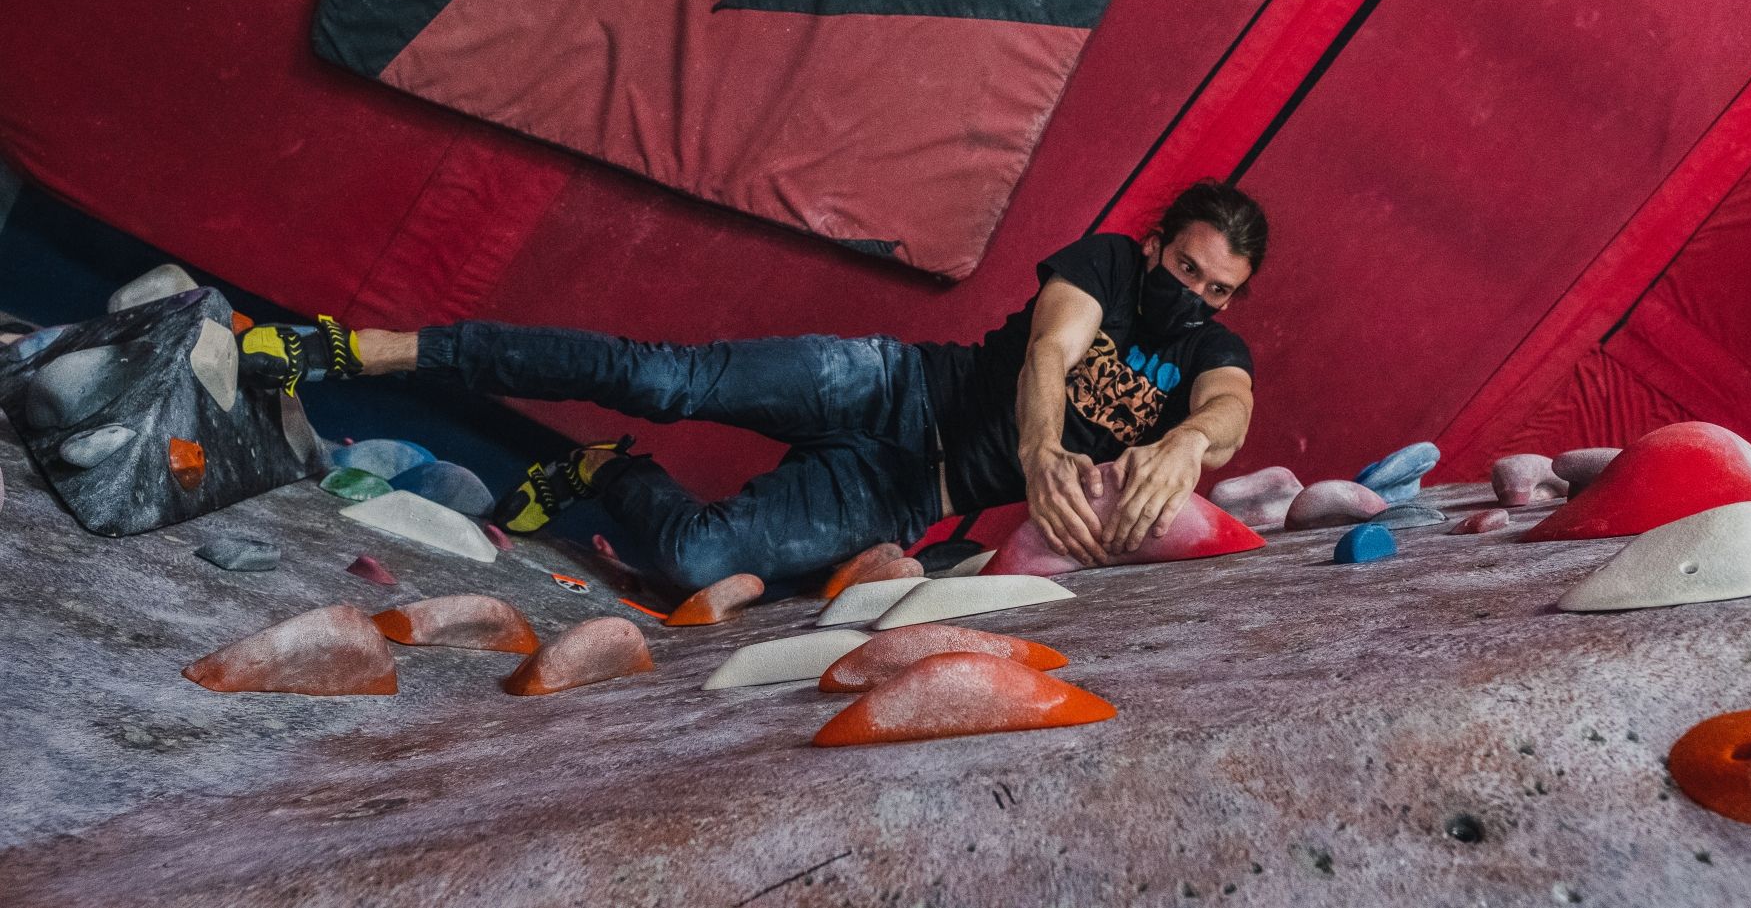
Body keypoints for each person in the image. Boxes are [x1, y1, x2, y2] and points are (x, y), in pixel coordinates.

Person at [237, 179, 1267, 591]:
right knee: (661, 376)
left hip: (909, 495)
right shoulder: (1107, 265)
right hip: (890, 388)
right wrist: (1042, 453)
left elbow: (1228, 412)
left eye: (1216, 291)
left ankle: (602, 469)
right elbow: (1050, 350)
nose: (1194, 297)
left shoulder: (1209, 353)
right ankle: (365, 348)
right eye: (1186, 271)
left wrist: (1183, 443)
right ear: (1154, 244)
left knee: (697, 558)